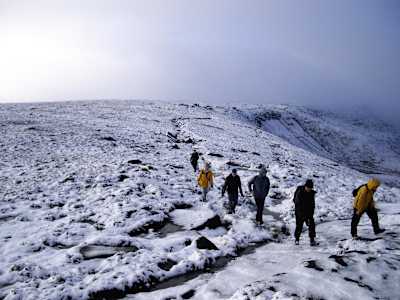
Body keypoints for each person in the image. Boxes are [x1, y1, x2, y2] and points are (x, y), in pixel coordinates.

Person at [293, 179, 317, 246]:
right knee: (299, 226)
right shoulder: (300, 192)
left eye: (310, 188)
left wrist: (311, 214)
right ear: (305, 186)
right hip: (299, 212)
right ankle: (297, 239)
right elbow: (297, 204)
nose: (309, 189)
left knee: (312, 225)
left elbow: (312, 205)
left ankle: (312, 239)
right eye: (308, 188)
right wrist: (302, 214)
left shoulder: (311, 194)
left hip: (308, 213)